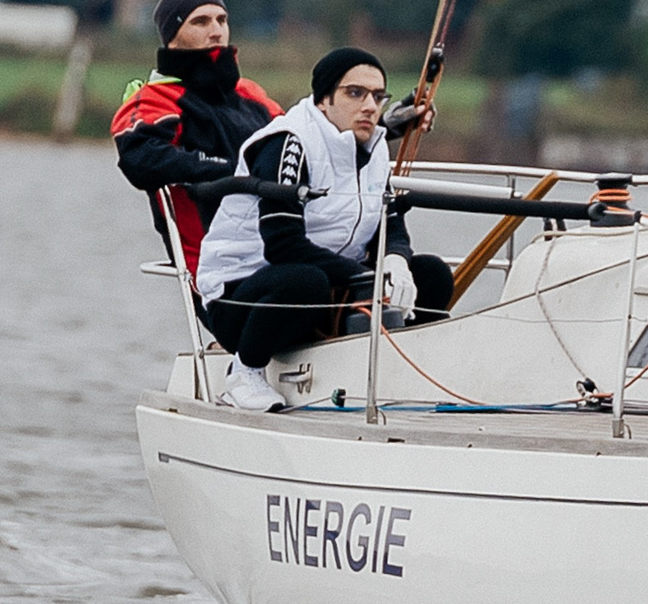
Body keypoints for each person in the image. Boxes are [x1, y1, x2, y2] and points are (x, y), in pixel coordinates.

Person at [194, 47, 456, 411]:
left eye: (378, 96)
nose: (370, 106)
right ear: (323, 100)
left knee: (432, 274)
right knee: (306, 281)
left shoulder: (374, 147)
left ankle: (397, 375)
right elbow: (282, 246)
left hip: (329, 283)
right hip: (242, 295)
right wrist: (366, 278)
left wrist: (396, 262)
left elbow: (391, 223)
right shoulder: (288, 143)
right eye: (355, 93)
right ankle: (244, 374)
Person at [111, 0, 284, 274]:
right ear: (172, 37)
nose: (216, 31)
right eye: (201, 22)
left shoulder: (252, 95)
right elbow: (140, 159)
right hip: (213, 267)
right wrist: (228, 169)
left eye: (222, 20)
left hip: (278, 247)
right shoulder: (155, 99)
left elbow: (300, 147)